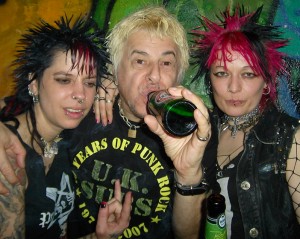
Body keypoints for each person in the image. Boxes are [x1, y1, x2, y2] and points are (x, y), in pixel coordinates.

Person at [0, 5, 211, 239]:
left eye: (167, 63)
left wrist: (188, 174)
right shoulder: (80, 114)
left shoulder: (194, 130)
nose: (154, 75)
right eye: (140, 61)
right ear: (114, 71)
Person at [0, 16, 132, 239]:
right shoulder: (8, 156)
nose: (80, 95)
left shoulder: (61, 143)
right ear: (34, 83)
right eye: (64, 80)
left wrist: (98, 237)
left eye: (89, 83)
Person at [190, 5, 300, 238]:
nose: (233, 87)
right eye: (222, 73)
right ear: (210, 80)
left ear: (267, 82)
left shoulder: (291, 137)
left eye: (248, 74)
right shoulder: (200, 132)